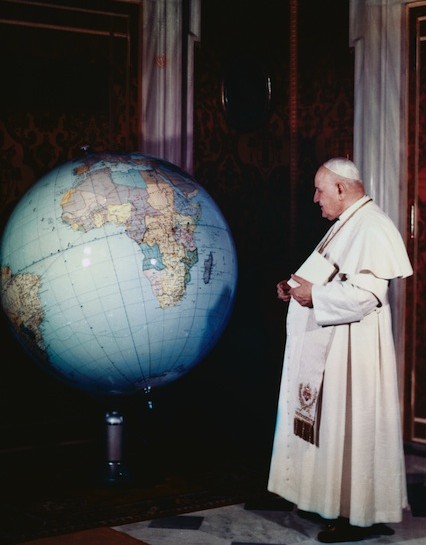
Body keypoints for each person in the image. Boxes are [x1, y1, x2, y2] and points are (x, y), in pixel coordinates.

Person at [267, 158, 413, 543]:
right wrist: (295, 287)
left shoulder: (372, 225)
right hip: (333, 341)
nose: (315, 198)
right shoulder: (347, 224)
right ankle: (334, 504)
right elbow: (327, 274)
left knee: (353, 426)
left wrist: (314, 295)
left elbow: (367, 296)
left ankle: (356, 515)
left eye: (319, 190)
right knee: (333, 426)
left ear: (341, 189)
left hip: (355, 348)